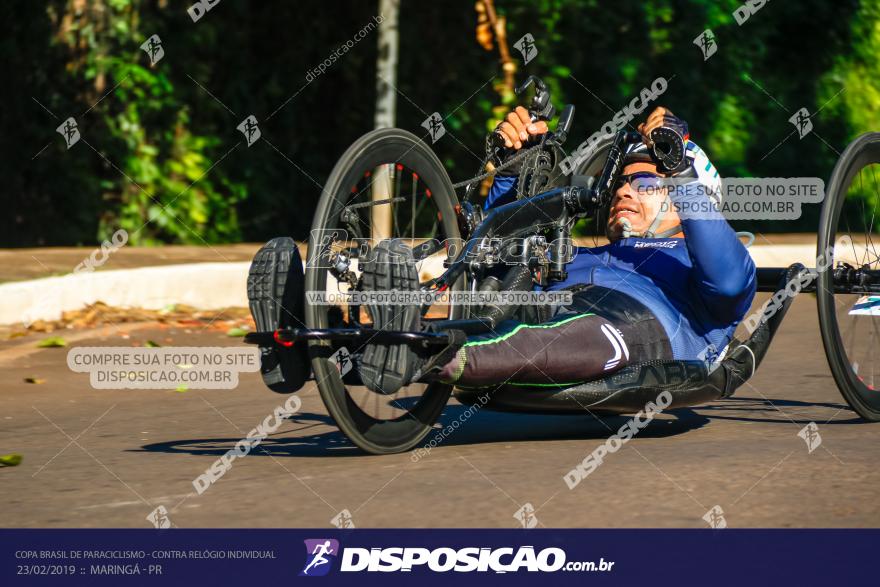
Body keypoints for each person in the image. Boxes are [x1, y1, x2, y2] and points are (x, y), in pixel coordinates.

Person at [357, 106, 757, 394]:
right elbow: (496, 258)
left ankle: (417, 350)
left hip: (638, 321)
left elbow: (729, 282)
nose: (622, 190)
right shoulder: (579, 255)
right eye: (620, 182)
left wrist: (679, 169)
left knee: (561, 336)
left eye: (646, 183)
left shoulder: (703, 264)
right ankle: (304, 334)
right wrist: (514, 170)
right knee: (505, 293)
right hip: (544, 304)